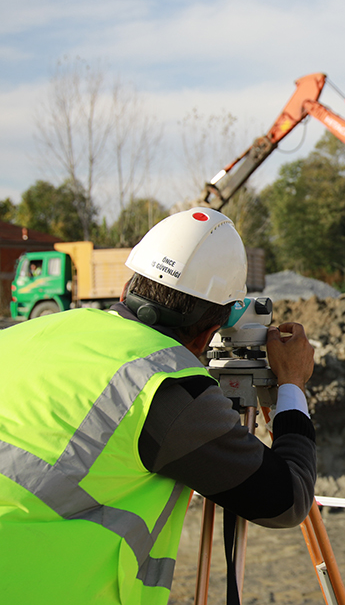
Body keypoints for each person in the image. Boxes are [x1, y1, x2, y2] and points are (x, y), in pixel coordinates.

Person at [0, 208, 317, 605]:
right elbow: (286, 499)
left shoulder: (28, 334)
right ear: (208, 333)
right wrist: (291, 385)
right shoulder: (165, 388)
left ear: (126, 289)